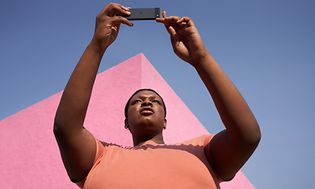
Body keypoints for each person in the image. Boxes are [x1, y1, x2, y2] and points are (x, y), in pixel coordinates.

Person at [53, 3, 261, 189]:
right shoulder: (99, 156)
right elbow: (66, 129)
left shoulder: (202, 151)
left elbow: (246, 136)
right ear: (126, 122)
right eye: (137, 101)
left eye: (155, 101)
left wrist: (200, 57)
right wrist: (97, 46)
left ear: (165, 122)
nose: (146, 102)